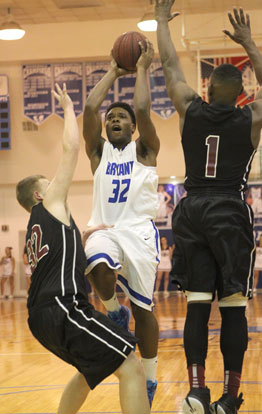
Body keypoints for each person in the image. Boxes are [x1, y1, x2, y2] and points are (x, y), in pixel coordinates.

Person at [16, 83, 150, 414]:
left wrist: (88, 232)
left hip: (40, 318)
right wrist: (67, 110)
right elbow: (71, 149)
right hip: (65, 307)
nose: (54, 184)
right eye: (47, 183)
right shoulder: (49, 203)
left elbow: (62, 253)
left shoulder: (39, 227)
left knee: (90, 372)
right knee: (131, 365)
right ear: (38, 195)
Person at [155, 2, 262, 413]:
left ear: (206, 89)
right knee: (234, 306)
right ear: (241, 93)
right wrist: (250, 43)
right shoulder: (248, 119)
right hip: (229, 211)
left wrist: (163, 22)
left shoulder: (189, 109)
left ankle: (196, 392)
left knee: (197, 305)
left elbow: (170, 64)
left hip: (193, 210)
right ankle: (230, 397)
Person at [83, 40, 160, 406]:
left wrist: (142, 67)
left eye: (121, 117)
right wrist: (113, 71)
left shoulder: (144, 150)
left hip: (140, 232)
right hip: (107, 230)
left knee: (146, 311)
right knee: (97, 263)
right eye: (111, 117)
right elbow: (89, 107)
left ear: (133, 128)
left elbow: (143, 107)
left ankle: (151, 375)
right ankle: (115, 314)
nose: (113, 119)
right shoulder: (97, 154)